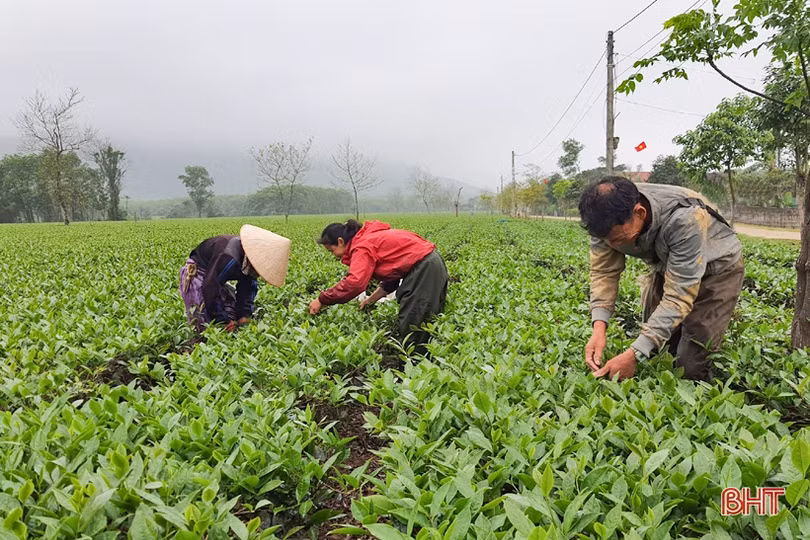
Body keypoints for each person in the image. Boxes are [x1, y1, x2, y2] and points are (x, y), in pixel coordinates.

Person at [578, 176, 743, 381]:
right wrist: (599, 327)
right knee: (657, 350)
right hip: (667, 265)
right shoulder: (603, 219)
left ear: (640, 213)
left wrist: (633, 355)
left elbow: (678, 297)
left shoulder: (685, 218)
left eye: (619, 239)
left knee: (690, 365)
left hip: (717, 271)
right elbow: (604, 272)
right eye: (606, 240)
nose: (612, 245)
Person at [309, 219, 448, 353]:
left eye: (331, 250)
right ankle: (425, 360)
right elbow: (392, 278)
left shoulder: (361, 246)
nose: (333, 256)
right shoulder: (367, 238)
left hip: (425, 268)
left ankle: (416, 366)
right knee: (426, 317)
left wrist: (322, 299)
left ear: (340, 241)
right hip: (432, 263)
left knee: (415, 319)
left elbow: (355, 283)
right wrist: (370, 300)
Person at [179, 224, 291, 332]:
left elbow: (247, 288)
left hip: (214, 276)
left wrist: (244, 315)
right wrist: (223, 320)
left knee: (232, 313)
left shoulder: (250, 264)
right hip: (198, 272)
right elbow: (210, 286)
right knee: (204, 321)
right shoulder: (229, 257)